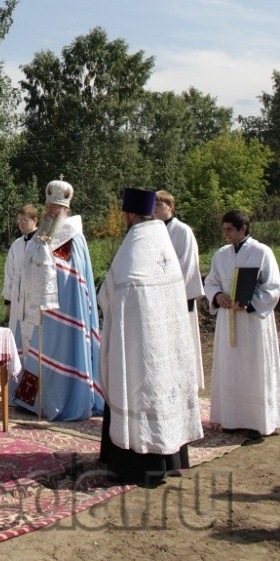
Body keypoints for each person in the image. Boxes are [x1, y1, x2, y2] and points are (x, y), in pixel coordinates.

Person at [99, 188, 203, 486]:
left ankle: (135, 463)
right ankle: (171, 459)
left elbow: (111, 293)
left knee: (137, 387)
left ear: (131, 214)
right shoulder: (161, 239)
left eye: (124, 214)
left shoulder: (135, 244)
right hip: (166, 337)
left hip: (140, 341)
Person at [13, 180, 104, 421]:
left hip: (65, 311)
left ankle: (61, 401)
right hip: (38, 308)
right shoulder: (41, 234)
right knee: (36, 352)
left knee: (60, 352)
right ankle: (34, 402)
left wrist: (47, 264)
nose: (51, 212)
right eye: (48, 207)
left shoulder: (73, 237)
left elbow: (74, 276)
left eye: (56, 208)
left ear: (66, 210)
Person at [203, 209, 280, 438]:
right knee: (230, 367)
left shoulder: (262, 252)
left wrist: (250, 303)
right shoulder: (221, 255)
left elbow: (273, 287)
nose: (225, 233)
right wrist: (218, 296)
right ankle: (232, 418)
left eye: (229, 229)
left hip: (252, 322)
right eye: (224, 229)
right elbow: (211, 282)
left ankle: (256, 421)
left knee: (253, 366)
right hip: (227, 318)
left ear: (243, 228)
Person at [154, 190, 205, 389]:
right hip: (157, 297)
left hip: (178, 297)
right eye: (153, 204)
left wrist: (170, 291)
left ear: (171, 207)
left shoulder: (183, 231)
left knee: (181, 343)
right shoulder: (151, 231)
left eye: (160, 204)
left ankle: (187, 384)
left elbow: (188, 264)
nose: (155, 207)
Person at [2, 204, 39, 356]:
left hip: (34, 298)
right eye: (19, 220)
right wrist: (8, 301)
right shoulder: (16, 245)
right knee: (16, 336)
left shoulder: (42, 243)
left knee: (34, 337)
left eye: (25, 220)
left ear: (35, 220)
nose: (21, 224)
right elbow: (9, 273)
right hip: (17, 297)